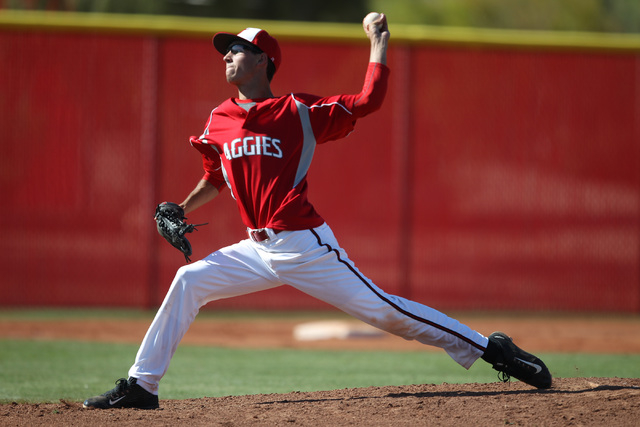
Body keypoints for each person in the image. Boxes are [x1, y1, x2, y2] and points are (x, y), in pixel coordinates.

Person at [83, 14, 551, 410]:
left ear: (264, 60)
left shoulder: (298, 111)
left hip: (305, 245)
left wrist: (378, 45)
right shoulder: (218, 119)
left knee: (389, 314)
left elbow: (368, 102)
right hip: (256, 247)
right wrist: (180, 207)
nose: (227, 56)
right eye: (225, 51)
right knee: (187, 282)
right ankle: (143, 385)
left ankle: (492, 349)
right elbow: (216, 176)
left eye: (238, 49)